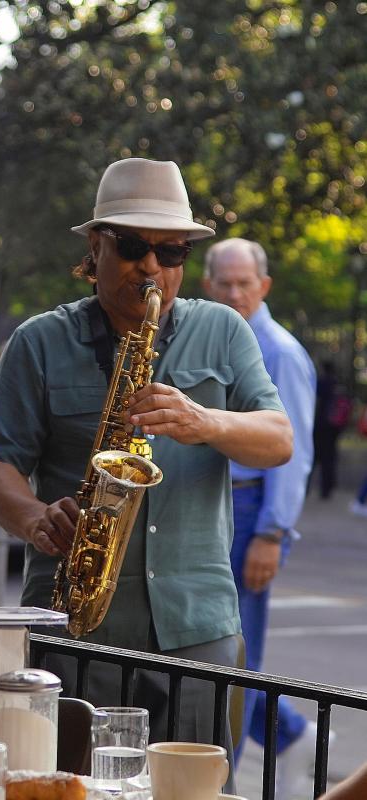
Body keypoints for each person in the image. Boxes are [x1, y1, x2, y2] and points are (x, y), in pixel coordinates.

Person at [0, 158, 292, 790]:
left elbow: (278, 439)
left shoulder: (224, 330)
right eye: (134, 246)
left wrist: (206, 421)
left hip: (197, 629)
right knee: (66, 789)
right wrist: (37, 519)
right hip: (74, 625)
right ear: (96, 247)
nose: (153, 268)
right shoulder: (39, 342)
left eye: (170, 252)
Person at [203, 238, 317, 800]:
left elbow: (293, 456)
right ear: (208, 286)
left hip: (250, 513)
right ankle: (293, 734)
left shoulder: (279, 351)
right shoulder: (218, 337)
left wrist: (272, 532)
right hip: (213, 505)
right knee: (211, 653)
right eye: (223, 283)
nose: (234, 293)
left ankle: (226, 784)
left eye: (244, 282)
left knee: (237, 657)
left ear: (263, 286)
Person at [313, 360, 352, 499]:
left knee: (317, 456)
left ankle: (311, 487)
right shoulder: (339, 384)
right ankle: (328, 487)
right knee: (330, 457)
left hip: (322, 425)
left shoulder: (322, 383)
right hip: (335, 427)